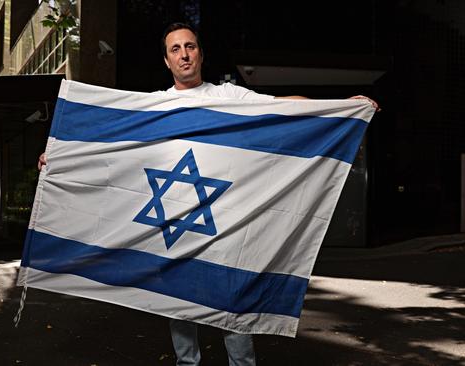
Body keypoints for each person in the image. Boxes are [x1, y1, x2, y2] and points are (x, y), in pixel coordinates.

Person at [38, 22, 379, 366]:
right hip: (174, 231)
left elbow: (285, 107)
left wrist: (341, 108)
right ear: (166, 61)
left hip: (225, 232)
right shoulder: (155, 107)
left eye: (190, 46)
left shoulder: (228, 97)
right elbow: (111, 149)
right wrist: (63, 157)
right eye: (176, 49)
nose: (184, 54)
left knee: (235, 319)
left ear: (201, 53)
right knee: (181, 320)